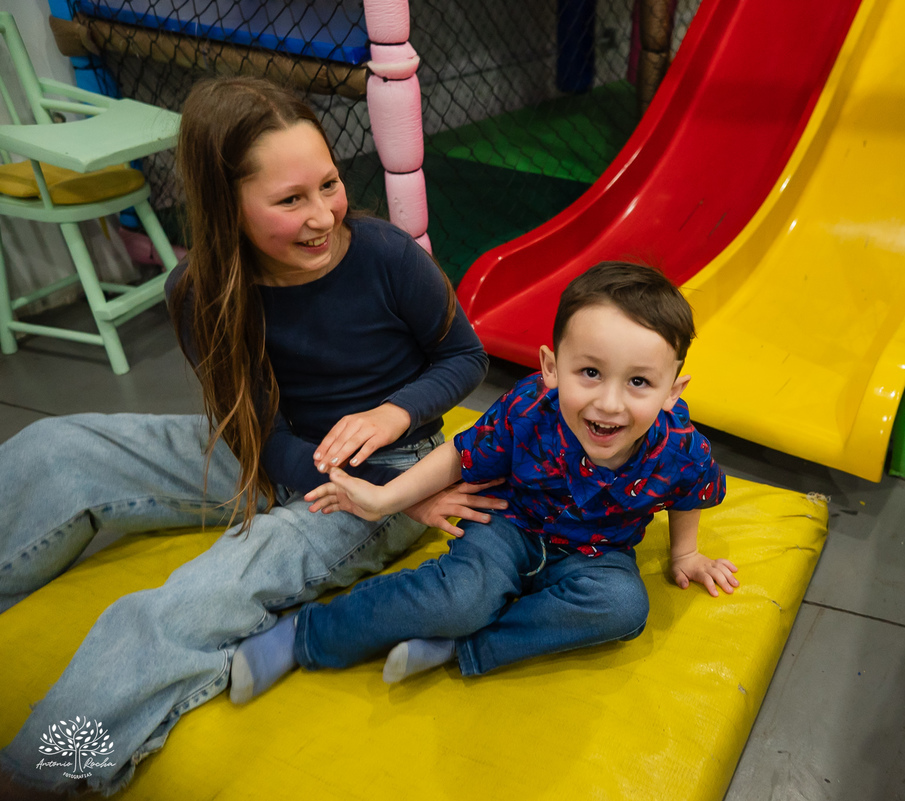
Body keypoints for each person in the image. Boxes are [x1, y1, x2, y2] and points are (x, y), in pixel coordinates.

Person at [0, 76, 498, 796]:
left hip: (388, 472)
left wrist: (393, 424)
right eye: (289, 200)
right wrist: (305, 471)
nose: (324, 215)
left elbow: (464, 356)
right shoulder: (199, 290)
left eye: (328, 184)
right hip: (272, 450)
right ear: (224, 204)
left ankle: (43, 773)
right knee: (57, 448)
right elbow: (253, 433)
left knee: (202, 590)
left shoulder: (385, 254)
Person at [228, 261, 738, 701]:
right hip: (507, 526)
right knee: (461, 598)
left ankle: (463, 646)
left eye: (639, 382)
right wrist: (385, 497)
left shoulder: (680, 445)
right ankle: (305, 636)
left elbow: (690, 490)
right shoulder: (528, 407)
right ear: (551, 367)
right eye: (590, 373)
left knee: (624, 608)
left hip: (597, 554)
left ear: (673, 392)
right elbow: (460, 454)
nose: (609, 402)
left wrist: (684, 555)